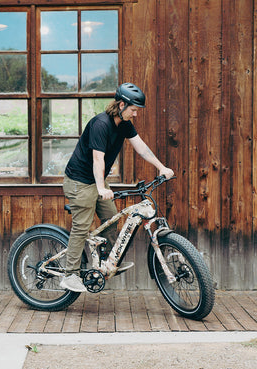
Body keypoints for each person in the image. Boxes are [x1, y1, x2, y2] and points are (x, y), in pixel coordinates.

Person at [60, 82, 175, 292]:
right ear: (121, 105)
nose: (136, 114)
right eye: (133, 110)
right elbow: (98, 159)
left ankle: (108, 263)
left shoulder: (124, 124)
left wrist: (161, 167)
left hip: (96, 181)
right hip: (79, 182)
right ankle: (70, 275)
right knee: (82, 226)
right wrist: (102, 188)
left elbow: (141, 147)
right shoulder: (100, 124)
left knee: (111, 219)